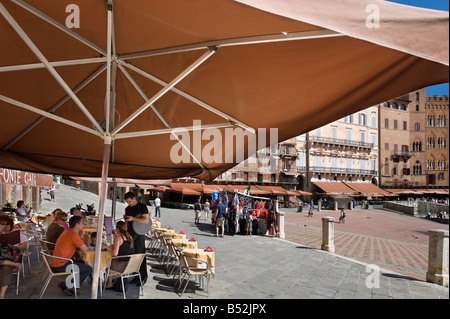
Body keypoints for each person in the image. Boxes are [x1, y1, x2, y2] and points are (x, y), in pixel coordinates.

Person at [51, 215, 92, 296]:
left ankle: (67, 284)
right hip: (61, 265)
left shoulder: (68, 231)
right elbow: (85, 249)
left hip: (57, 263)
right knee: (88, 269)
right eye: (82, 223)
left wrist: (80, 235)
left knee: (81, 262)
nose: (84, 225)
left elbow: (77, 244)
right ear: (77, 225)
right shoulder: (73, 235)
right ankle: (69, 287)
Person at [124, 192, 148, 285]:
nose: (128, 203)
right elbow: (127, 221)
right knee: (132, 256)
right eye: (127, 202)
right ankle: (135, 276)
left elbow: (145, 220)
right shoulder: (127, 209)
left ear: (134, 198)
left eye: (129, 201)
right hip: (130, 234)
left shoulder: (142, 207)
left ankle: (143, 276)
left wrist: (133, 219)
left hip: (139, 233)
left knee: (140, 255)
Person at [0, 215, 27, 299]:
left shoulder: (16, 233)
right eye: (1, 224)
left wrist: (16, 247)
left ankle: (1, 294)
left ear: (11, 224)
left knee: (6, 267)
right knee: (7, 264)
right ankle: (14, 264)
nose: (4, 226)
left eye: (6, 224)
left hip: (10, 256)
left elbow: (25, 246)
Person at [105, 221, 134, 290]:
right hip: (129, 264)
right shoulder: (130, 237)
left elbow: (115, 254)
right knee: (112, 262)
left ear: (117, 229)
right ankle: (111, 281)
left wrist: (109, 249)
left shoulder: (118, 238)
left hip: (121, 265)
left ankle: (109, 284)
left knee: (107, 266)